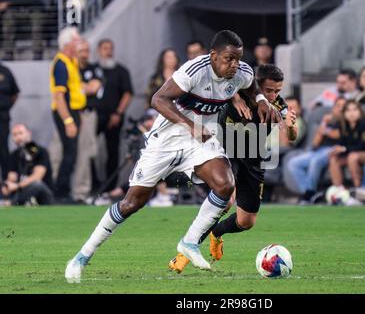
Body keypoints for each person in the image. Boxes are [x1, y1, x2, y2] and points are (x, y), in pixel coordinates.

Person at [65, 30, 280, 283]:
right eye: (228, 59)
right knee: (131, 203)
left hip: (199, 140)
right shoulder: (194, 70)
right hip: (166, 139)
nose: (234, 65)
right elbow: (159, 99)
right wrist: (189, 125)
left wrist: (261, 99)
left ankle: (190, 242)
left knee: (225, 185)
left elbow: (251, 84)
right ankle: (82, 256)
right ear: (213, 56)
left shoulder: (242, 72)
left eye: (237, 59)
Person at [168, 64, 297, 273]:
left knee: (246, 221)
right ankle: (183, 254)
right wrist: (234, 97)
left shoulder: (278, 105)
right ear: (256, 85)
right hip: (226, 151)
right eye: (269, 90)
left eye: (277, 91)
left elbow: (292, 136)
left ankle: (217, 232)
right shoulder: (233, 92)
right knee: (225, 201)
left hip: (254, 158)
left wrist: (291, 126)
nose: (273, 95)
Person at [286, 97, 345, 203]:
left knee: (315, 162)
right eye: (338, 106)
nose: (340, 109)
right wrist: (324, 123)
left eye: (343, 106)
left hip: (333, 149)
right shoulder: (328, 120)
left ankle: (309, 193)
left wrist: (325, 131)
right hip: (319, 150)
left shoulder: (346, 122)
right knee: (293, 163)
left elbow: (337, 135)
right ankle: (310, 194)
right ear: (333, 108)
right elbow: (315, 143)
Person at [50, 27, 85, 202]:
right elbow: (59, 96)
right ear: (68, 43)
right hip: (66, 112)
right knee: (69, 153)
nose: (79, 43)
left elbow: (75, 89)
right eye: (76, 40)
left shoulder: (72, 61)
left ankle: (63, 192)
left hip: (74, 111)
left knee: (72, 153)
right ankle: (60, 193)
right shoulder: (61, 63)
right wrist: (68, 120)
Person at [95, 39, 133, 192]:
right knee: (89, 151)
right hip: (94, 118)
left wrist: (118, 112)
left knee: (113, 151)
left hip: (114, 117)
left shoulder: (121, 71)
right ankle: (94, 184)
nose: (108, 51)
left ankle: (110, 186)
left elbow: (127, 93)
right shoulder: (93, 69)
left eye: (110, 48)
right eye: (104, 48)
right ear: (98, 50)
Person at [73, 39, 103, 202]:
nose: (85, 54)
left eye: (86, 51)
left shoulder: (94, 68)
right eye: (81, 51)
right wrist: (82, 88)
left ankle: (81, 193)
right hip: (69, 114)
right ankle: (55, 188)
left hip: (87, 114)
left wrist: (79, 87)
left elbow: (94, 88)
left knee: (86, 152)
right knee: (58, 152)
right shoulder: (69, 67)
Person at [329, 100, 365, 189]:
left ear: (360, 111)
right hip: (352, 152)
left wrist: (344, 149)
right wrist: (338, 148)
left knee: (352, 157)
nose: (352, 113)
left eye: (355, 110)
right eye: (348, 110)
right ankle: (338, 189)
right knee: (334, 158)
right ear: (344, 113)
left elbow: (363, 146)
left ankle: (358, 188)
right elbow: (342, 142)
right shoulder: (343, 124)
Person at [1, 124, 53, 205]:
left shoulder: (41, 151)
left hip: (42, 193)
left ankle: (11, 203)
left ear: (28, 133)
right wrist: (7, 186)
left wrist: (17, 185)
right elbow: (12, 177)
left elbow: (37, 176)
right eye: (15, 135)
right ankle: (10, 201)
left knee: (37, 185)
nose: (18, 137)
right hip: (22, 192)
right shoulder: (14, 155)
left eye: (21, 133)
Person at [0, 61, 20, 181]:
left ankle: (6, 186)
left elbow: (14, 93)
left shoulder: (5, 71)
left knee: (3, 150)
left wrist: (6, 106)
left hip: (2, 117)